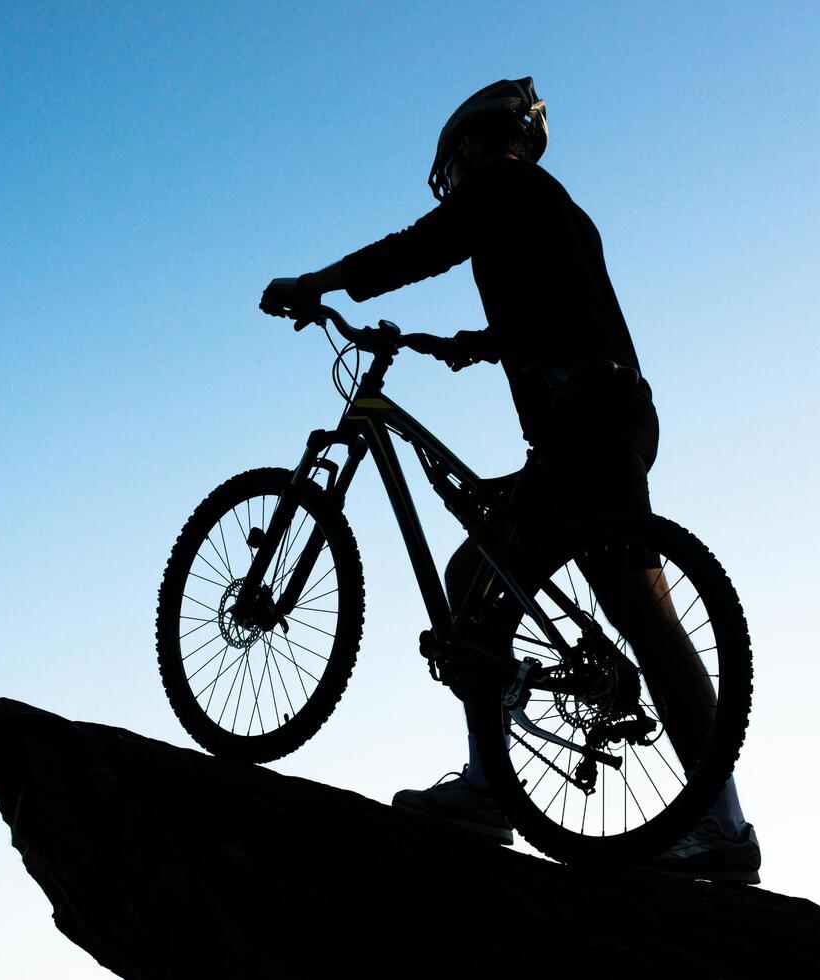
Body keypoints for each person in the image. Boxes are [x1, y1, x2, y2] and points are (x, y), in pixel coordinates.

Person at [258, 77, 759, 883]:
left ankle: (720, 827)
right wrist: (478, 343)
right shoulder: (549, 206)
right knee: (476, 578)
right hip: (594, 417)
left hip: (585, 417)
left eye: (452, 166)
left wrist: (317, 284)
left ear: (467, 150)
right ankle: (492, 789)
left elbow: (422, 245)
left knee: (638, 608)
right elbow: (558, 301)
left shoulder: (502, 184)